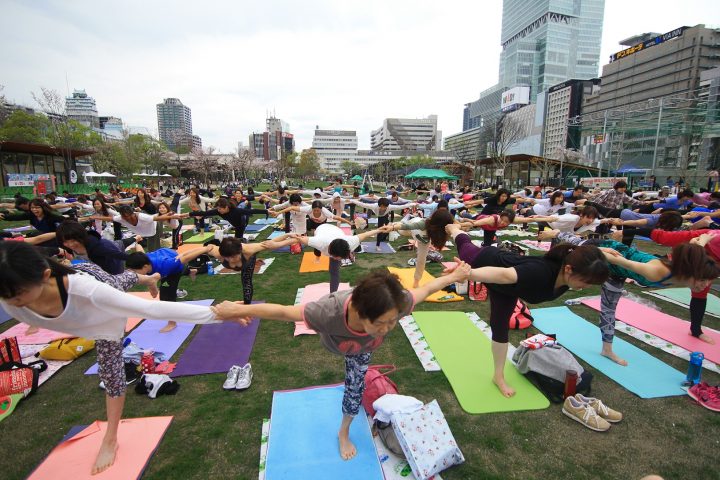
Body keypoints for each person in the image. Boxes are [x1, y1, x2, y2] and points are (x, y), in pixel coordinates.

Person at [0, 242, 229, 475]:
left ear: (45, 276)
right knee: (121, 281)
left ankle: (110, 438)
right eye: (7, 298)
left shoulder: (87, 290)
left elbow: (151, 310)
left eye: (18, 296)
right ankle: (149, 279)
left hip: (104, 316)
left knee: (112, 373)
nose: (14, 303)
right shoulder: (10, 295)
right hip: (90, 286)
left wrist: (218, 314)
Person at [211, 263, 471, 460]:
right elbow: (282, 311)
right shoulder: (327, 312)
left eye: (393, 321)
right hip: (334, 342)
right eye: (380, 323)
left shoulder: (397, 302)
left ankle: (343, 431)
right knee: (351, 365)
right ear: (359, 312)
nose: (388, 328)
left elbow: (425, 289)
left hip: (360, 351)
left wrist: (453, 277)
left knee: (355, 388)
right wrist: (239, 309)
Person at [445, 222, 610, 397]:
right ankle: (454, 229)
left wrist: (611, 257)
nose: (585, 287)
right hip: (488, 262)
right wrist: (467, 274)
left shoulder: (569, 270)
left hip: (508, 289)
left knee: (499, 328)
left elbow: (588, 254)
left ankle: (498, 376)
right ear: (569, 269)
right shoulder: (540, 272)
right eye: (585, 281)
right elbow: (504, 275)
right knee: (465, 246)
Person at [553, 233, 720, 365]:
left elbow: (696, 251)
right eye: (703, 280)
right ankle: (556, 232)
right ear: (692, 274)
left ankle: (607, 350)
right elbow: (623, 262)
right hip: (606, 252)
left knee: (609, 309)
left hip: (617, 273)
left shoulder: (690, 268)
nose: (704, 285)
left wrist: (703, 239)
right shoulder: (657, 272)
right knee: (571, 241)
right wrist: (593, 251)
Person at [125, 243, 221, 332]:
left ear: (145, 266)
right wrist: (136, 242)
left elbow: (185, 256)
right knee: (161, 280)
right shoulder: (143, 259)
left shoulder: (166, 265)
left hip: (171, 265)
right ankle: (191, 270)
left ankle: (172, 323)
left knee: (166, 298)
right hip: (166, 254)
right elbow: (140, 249)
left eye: (134, 271)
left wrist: (205, 249)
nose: (133, 274)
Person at [204, 234, 298, 305]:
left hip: (248, 260)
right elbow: (198, 250)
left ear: (240, 252)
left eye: (234, 257)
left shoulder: (249, 250)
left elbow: (273, 244)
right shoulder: (218, 252)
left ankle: (247, 306)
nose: (232, 260)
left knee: (246, 280)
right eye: (228, 258)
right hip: (235, 251)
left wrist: (292, 237)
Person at [380, 209, 459, 287]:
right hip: (411, 229)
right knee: (401, 230)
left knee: (421, 260)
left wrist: (468, 223)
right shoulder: (423, 224)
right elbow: (407, 226)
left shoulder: (440, 230)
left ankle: (416, 281)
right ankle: (394, 223)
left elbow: (457, 226)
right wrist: (393, 227)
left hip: (422, 240)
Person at [292, 223, 381, 293]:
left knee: (334, 271)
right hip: (322, 229)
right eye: (337, 257)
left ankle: (333, 295)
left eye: (340, 258)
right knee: (317, 252)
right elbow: (298, 239)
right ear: (331, 253)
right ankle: (348, 254)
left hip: (338, 233)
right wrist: (282, 240)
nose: (339, 260)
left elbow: (366, 234)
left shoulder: (351, 241)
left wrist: (380, 229)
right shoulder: (319, 242)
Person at [187, 197, 267, 240]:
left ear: (226, 207)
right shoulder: (218, 211)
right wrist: (188, 214)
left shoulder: (236, 211)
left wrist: (266, 211)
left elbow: (252, 211)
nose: (219, 211)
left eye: (220, 209)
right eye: (218, 209)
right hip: (233, 222)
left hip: (241, 222)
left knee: (238, 238)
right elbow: (204, 213)